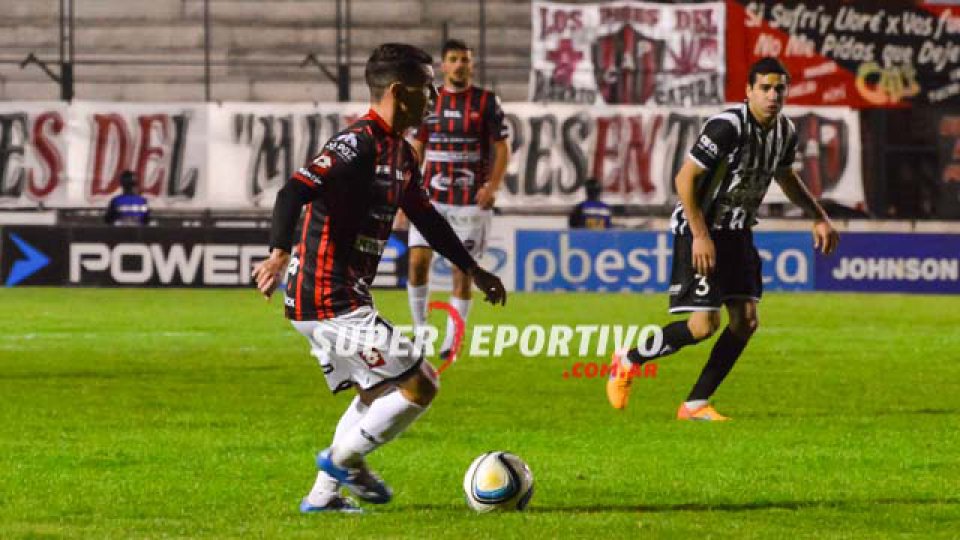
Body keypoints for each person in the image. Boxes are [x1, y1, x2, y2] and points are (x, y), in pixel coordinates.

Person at [252, 43, 507, 513]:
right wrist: (277, 254)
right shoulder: (357, 144)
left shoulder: (402, 154)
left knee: (376, 391)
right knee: (421, 385)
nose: (433, 95)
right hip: (326, 297)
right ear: (397, 91)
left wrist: (474, 269)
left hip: (341, 296)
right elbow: (292, 191)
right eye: (425, 86)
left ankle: (322, 498)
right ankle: (343, 461)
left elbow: (426, 217)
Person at [605, 57, 839, 420]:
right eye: (764, 88)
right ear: (748, 91)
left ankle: (695, 404)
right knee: (702, 326)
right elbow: (684, 180)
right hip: (700, 229)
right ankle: (629, 359)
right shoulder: (726, 127)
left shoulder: (785, 132)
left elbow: (786, 178)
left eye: (779, 88)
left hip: (739, 230)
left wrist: (819, 217)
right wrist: (700, 235)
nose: (773, 95)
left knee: (746, 320)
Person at [404, 38, 511, 360]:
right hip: (430, 199)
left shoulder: (486, 101)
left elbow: (502, 146)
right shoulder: (429, 101)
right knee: (416, 264)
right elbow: (418, 148)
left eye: (465, 59)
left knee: (461, 271)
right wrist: (406, 188)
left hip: (468, 201)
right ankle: (420, 331)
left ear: (471, 64)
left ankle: (453, 339)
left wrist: (492, 186)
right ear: (443, 65)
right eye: (454, 59)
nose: (460, 64)